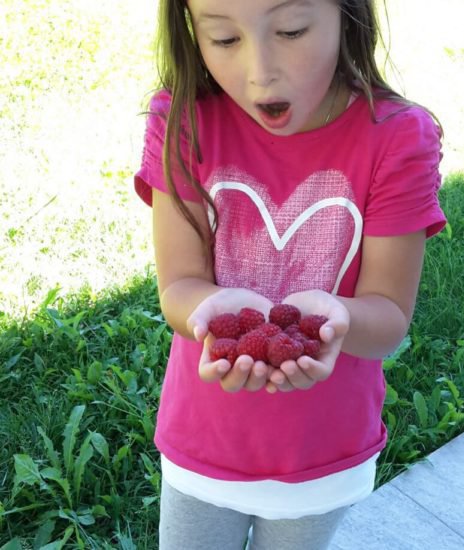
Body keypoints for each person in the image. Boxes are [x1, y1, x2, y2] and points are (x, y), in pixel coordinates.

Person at [134, 0, 447, 548]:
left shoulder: (397, 138)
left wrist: (340, 319)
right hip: (204, 442)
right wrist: (207, 316)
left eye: (291, 29)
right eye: (224, 39)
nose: (259, 71)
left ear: (347, 14)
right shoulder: (182, 120)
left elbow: (390, 316)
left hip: (321, 456)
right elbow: (179, 285)